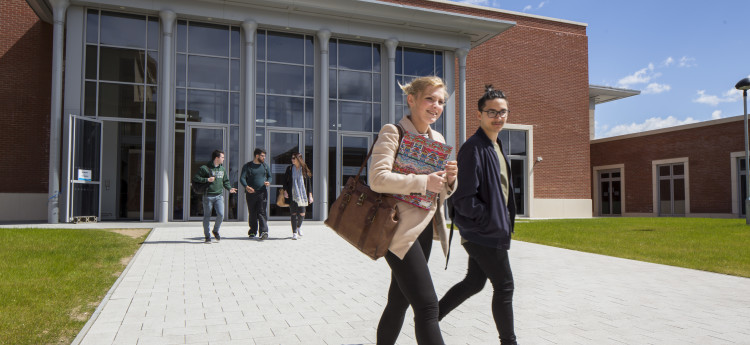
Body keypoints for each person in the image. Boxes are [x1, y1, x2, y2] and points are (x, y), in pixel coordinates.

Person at [369, 76, 458, 345]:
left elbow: (437, 190)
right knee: (428, 306)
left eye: (441, 101)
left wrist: (450, 179)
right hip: (397, 231)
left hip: (423, 231)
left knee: (399, 301)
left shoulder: (437, 137)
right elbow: (377, 179)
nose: (436, 106)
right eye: (430, 98)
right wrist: (423, 181)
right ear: (412, 99)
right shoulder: (393, 132)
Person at [438, 85, 518, 344]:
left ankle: (429, 318)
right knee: (505, 286)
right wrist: (488, 219)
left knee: (474, 282)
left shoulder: (495, 145)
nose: (498, 117)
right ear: (479, 115)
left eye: (503, 112)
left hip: (488, 229)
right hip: (484, 232)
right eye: (492, 112)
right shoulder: (474, 148)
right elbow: (463, 198)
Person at [192, 150, 237, 243]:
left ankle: (215, 230)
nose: (224, 159)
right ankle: (207, 236)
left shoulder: (222, 169)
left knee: (221, 215)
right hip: (208, 196)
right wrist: (207, 179)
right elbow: (196, 178)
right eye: (222, 157)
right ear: (217, 158)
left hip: (219, 196)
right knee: (207, 217)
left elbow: (225, 181)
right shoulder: (205, 168)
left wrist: (229, 189)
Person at [240, 148, 271, 240]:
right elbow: (242, 178)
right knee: (252, 212)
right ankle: (252, 231)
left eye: (264, 156)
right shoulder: (248, 166)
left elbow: (270, 177)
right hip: (251, 193)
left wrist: (268, 182)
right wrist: (246, 186)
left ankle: (264, 231)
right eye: (262, 156)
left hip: (262, 192)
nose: (264, 157)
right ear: (257, 156)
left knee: (261, 212)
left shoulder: (265, 166)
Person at [282, 152, 313, 240]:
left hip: (302, 195)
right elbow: (284, 181)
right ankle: (294, 232)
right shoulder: (290, 168)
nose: (292, 160)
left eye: (293, 158)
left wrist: (310, 195)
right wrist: (285, 191)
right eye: (292, 158)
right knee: (293, 213)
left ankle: (299, 226)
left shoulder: (304, 169)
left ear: (298, 159)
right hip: (292, 194)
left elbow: (309, 183)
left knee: (302, 213)